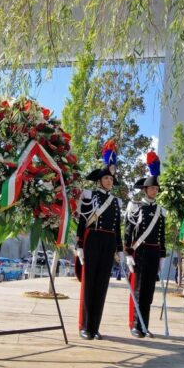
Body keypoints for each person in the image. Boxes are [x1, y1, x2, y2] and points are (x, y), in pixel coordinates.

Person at [75, 140, 124, 341]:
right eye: (106, 178)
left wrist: (120, 249)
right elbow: (82, 221)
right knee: (89, 284)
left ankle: (95, 327)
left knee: (102, 285)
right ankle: (85, 326)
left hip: (109, 243)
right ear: (100, 180)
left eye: (111, 179)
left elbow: (117, 227)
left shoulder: (116, 202)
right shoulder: (89, 195)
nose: (109, 181)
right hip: (92, 240)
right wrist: (78, 245)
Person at [123, 151, 166, 338]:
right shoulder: (135, 206)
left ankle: (144, 325)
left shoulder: (160, 211)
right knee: (139, 290)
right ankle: (135, 324)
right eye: (152, 188)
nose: (154, 191)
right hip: (139, 253)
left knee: (149, 292)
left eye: (156, 189)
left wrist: (162, 256)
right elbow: (127, 231)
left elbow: (161, 235)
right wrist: (127, 253)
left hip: (154, 254)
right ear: (145, 189)